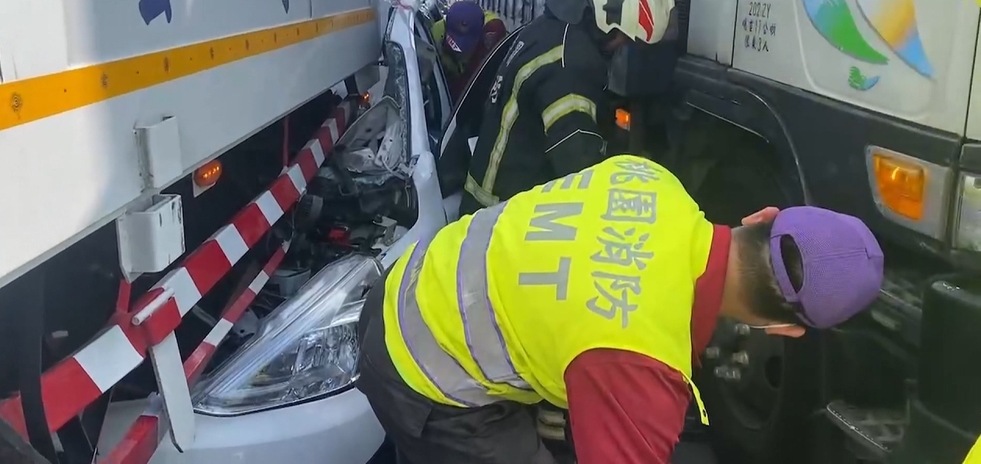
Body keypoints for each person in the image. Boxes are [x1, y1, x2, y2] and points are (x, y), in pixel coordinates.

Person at [356, 154, 885, 464]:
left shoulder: (648, 176)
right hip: (420, 369)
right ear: (786, 330)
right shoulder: (642, 372)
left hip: (408, 275)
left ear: (762, 216)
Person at [459, 0, 678, 217]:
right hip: (502, 219)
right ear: (610, 24)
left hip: (487, 206)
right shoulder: (569, 67)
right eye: (626, 40)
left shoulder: (550, 30)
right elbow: (580, 170)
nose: (623, 49)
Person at [431, 1, 507, 102]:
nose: (461, 53)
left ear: (480, 34)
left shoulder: (493, 31)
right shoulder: (435, 35)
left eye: (467, 44)